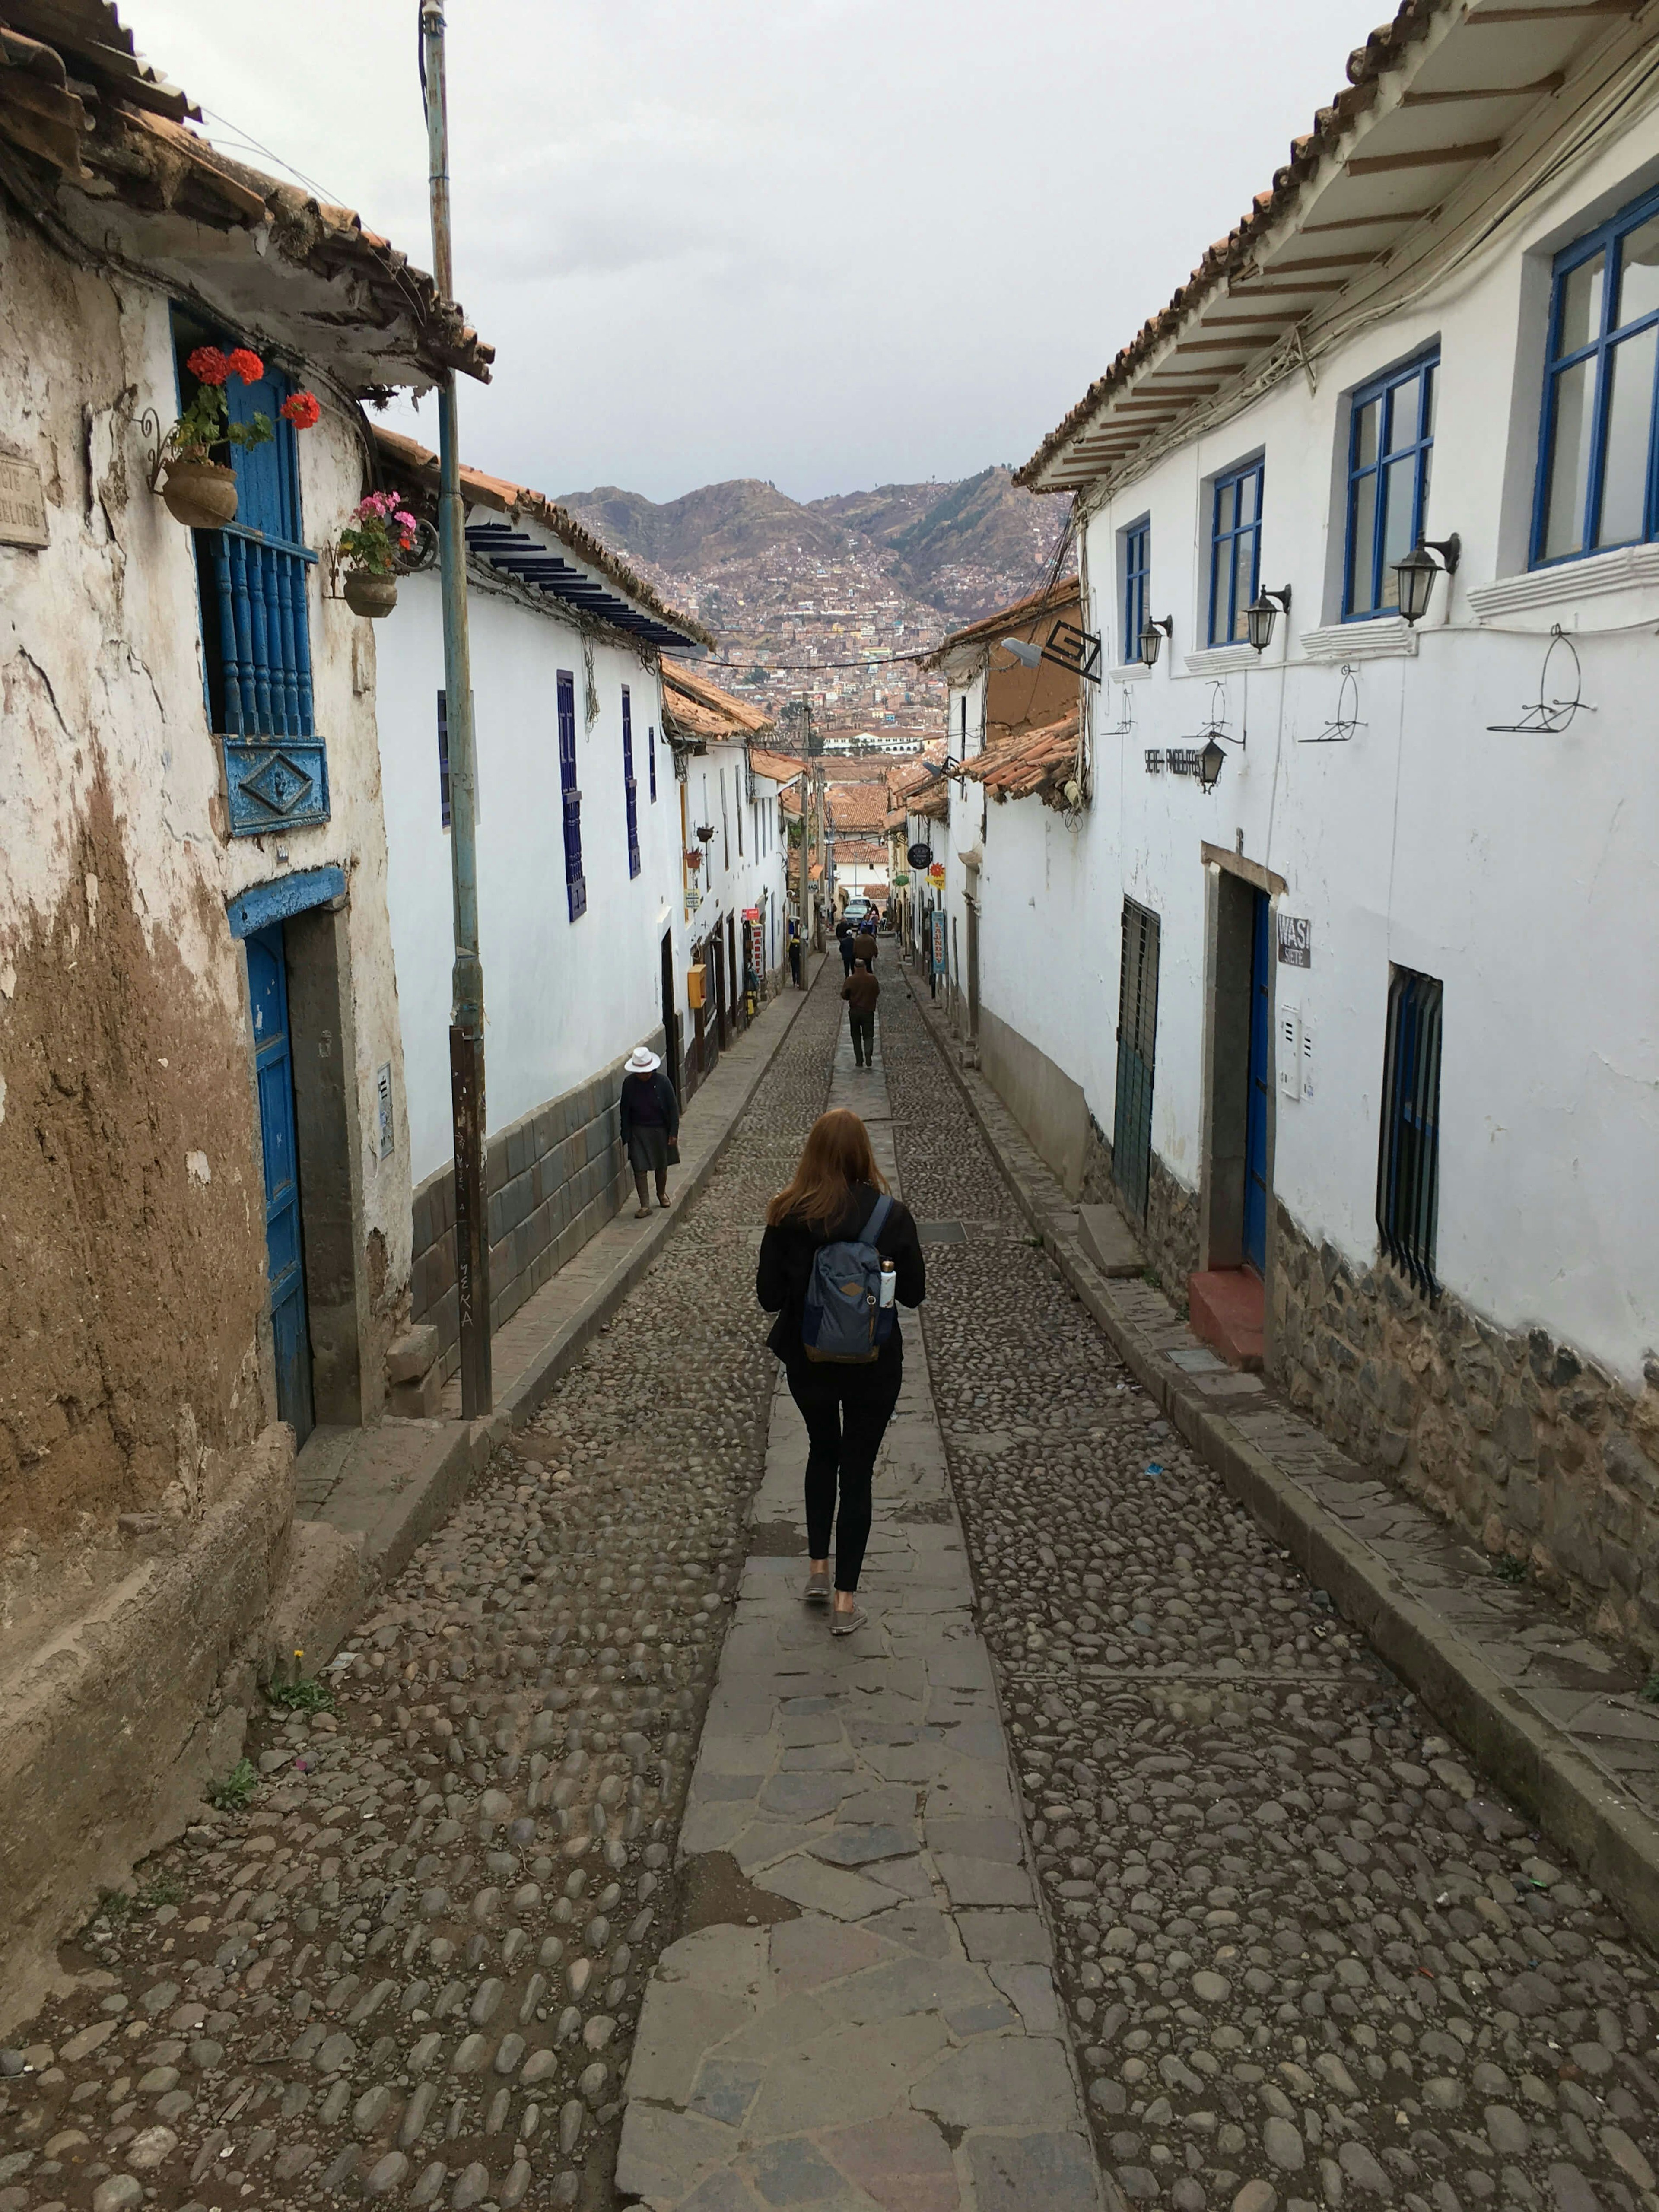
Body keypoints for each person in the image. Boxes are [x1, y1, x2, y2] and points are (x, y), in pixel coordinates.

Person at [756, 1109, 925, 1634]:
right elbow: (915, 1296)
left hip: (811, 1363)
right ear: (863, 1154)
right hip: (876, 1367)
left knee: (822, 1451)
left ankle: (816, 1570)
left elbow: (767, 1298)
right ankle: (846, 1603)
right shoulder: (893, 1217)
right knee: (857, 1471)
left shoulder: (787, 1214)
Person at [619, 1044, 679, 1217]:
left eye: (647, 1071)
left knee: (661, 1165)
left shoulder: (663, 1083)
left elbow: (673, 1109)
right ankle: (644, 1204)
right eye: (641, 1072)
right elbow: (625, 1111)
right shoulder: (629, 1085)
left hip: (659, 1129)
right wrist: (626, 1135)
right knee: (640, 1167)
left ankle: (661, 1194)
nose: (645, 1074)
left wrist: (673, 1133)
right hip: (638, 1131)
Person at [841, 952, 879, 1069]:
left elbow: (844, 995)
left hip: (855, 1012)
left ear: (855, 968)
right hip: (868, 1011)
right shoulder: (872, 979)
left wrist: (851, 997)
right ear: (865, 967)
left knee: (856, 1036)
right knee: (869, 1035)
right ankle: (868, 1052)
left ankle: (859, 1059)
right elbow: (877, 992)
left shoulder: (851, 980)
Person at [838, 912, 858, 977]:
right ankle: (853, 976)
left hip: (846, 956)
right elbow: (856, 949)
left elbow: (841, 949)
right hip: (852, 956)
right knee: (852, 967)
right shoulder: (854, 941)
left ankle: (847, 977)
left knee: (847, 968)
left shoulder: (844, 942)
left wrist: (843, 953)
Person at [788, 914, 803, 987]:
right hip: (798, 959)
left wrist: (790, 958)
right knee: (798, 971)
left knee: (794, 971)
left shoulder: (792, 944)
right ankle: (798, 983)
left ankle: (794, 982)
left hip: (793, 960)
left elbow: (789, 951)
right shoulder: (799, 944)